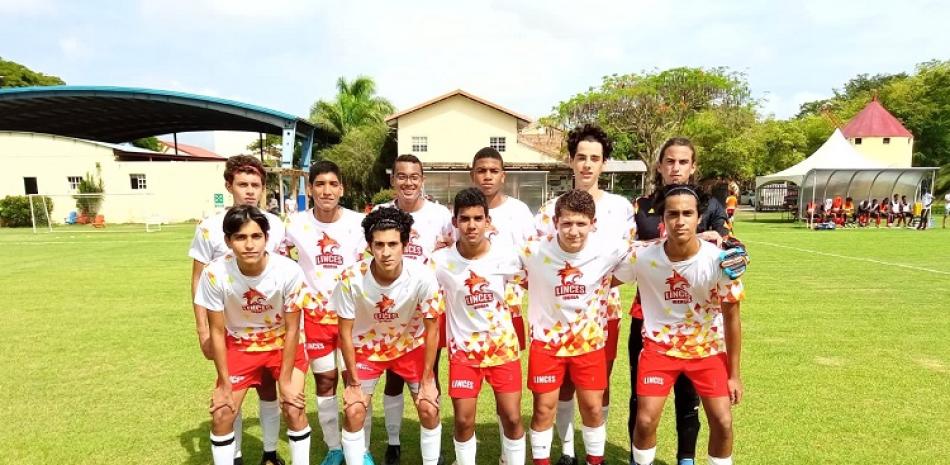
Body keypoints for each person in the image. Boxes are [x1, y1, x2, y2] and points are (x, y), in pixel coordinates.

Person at [534, 124, 635, 465]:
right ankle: (565, 450)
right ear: (570, 160)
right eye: (581, 158)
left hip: (603, 314)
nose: (587, 165)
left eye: (595, 158)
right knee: (560, 388)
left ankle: (594, 450)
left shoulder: (621, 208)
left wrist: (595, 283)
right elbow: (539, 262)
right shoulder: (549, 210)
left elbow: (630, 258)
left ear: (604, 163)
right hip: (556, 317)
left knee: (596, 388)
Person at [626, 184, 744, 465]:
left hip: (707, 351)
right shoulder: (642, 257)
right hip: (659, 350)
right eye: (673, 214)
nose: (680, 221)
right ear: (663, 219)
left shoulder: (720, 261)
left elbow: (732, 317)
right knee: (644, 421)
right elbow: (602, 272)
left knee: (723, 422)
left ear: (698, 217)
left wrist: (734, 374)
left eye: (687, 213)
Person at [194, 205, 313, 465]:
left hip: (283, 343)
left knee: (294, 407)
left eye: (256, 236)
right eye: (240, 237)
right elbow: (216, 329)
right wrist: (225, 384)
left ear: (266, 238)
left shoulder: (288, 271)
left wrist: (285, 381)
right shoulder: (214, 274)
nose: (249, 244)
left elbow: (293, 328)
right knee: (223, 413)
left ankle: (275, 455)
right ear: (228, 241)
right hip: (240, 345)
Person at [189, 155, 287, 465]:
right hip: (229, 330)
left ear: (263, 188)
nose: (248, 191)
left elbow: (281, 275)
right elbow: (197, 280)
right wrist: (202, 329)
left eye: (255, 185)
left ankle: (270, 453)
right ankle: (236, 456)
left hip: (271, 329)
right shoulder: (209, 228)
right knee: (232, 393)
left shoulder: (276, 226)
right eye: (242, 184)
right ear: (229, 185)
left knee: (269, 390)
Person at [334, 207, 444, 465]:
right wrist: (352, 384)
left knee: (429, 407)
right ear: (369, 246)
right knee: (354, 410)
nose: (386, 252)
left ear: (404, 244)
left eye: (393, 244)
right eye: (379, 244)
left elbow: (432, 330)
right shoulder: (351, 278)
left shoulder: (422, 276)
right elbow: (344, 333)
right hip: (366, 349)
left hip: (410, 347)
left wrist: (428, 379)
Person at [433, 188, 527, 465]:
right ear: (455, 222)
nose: (471, 225)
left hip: (503, 350)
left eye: (477, 218)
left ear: (488, 221)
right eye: (465, 219)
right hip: (463, 353)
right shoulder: (441, 261)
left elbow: (538, 280)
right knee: (463, 421)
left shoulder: (508, 255)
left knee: (511, 416)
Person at [281, 161, 367, 465]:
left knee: (356, 382)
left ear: (341, 188)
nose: (326, 190)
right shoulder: (294, 224)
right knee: (326, 382)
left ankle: (361, 448)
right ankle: (333, 447)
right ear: (310, 189)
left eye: (333, 184)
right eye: (320, 184)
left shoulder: (359, 223)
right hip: (315, 318)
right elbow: (278, 257)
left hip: (352, 317)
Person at [374, 154, 453, 465]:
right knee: (393, 377)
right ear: (393, 180)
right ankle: (393, 443)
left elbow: (453, 249)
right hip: (389, 309)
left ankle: (433, 441)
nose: (408, 182)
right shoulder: (381, 213)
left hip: (428, 310)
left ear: (422, 180)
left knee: (430, 374)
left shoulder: (440, 215)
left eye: (414, 176)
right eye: (401, 176)